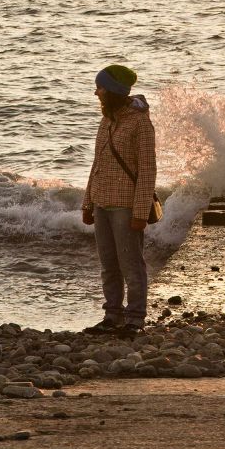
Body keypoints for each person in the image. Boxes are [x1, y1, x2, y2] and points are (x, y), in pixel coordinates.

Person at [82, 64, 156, 333]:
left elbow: (147, 170)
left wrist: (140, 212)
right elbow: (97, 163)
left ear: (112, 90)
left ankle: (135, 318)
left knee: (131, 265)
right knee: (108, 265)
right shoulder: (107, 120)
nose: (96, 93)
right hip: (101, 202)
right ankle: (112, 315)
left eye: (100, 88)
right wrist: (88, 202)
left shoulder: (140, 123)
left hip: (126, 205)